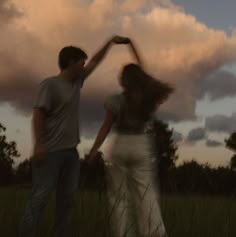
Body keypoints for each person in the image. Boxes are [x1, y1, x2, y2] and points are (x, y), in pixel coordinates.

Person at [18, 35, 130, 237]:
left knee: (67, 201)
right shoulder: (49, 84)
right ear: (70, 62)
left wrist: (111, 41)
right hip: (50, 152)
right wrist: (38, 145)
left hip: (71, 154)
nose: (84, 66)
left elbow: (96, 60)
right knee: (40, 197)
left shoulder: (77, 83)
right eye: (81, 63)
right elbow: (38, 115)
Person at [87, 40, 173, 237]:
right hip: (141, 145)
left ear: (123, 80)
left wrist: (93, 151)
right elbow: (143, 67)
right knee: (146, 195)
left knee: (118, 198)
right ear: (140, 79)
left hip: (119, 146)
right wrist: (132, 45)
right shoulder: (148, 98)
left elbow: (106, 127)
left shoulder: (115, 100)